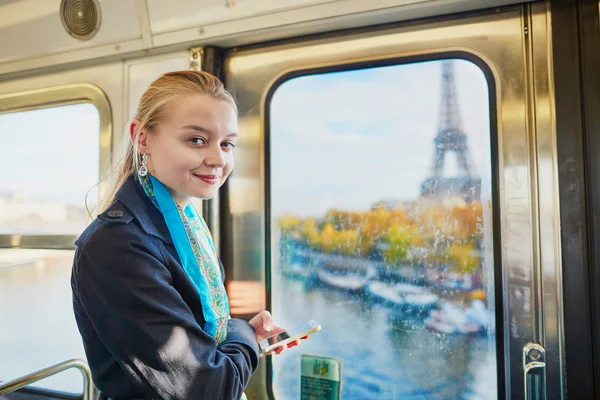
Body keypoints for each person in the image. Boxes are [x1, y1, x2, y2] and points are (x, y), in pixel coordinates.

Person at [71, 70, 302, 400]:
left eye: (227, 144)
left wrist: (245, 336)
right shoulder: (116, 246)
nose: (218, 159)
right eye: (197, 140)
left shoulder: (187, 226)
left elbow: (198, 345)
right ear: (142, 138)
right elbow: (208, 391)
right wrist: (245, 337)